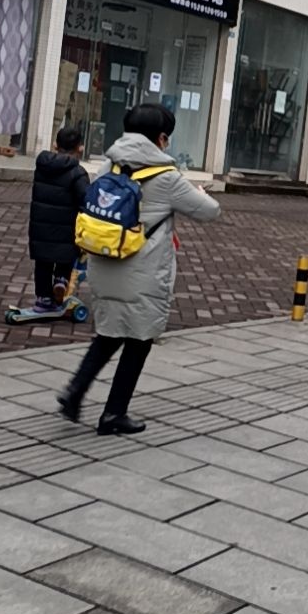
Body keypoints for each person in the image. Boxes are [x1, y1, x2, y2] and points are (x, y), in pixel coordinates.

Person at [58, 104, 219, 436]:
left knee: (107, 336)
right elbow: (209, 212)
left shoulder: (109, 164)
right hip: (143, 273)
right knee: (138, 341)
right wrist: (201, 193)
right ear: (161, 139)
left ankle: (74, 392)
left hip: (105, 265)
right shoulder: (167, 177)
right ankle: (114, 414)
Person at [28, 126, 88, 312]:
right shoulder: (78, 172)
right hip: (67, 227)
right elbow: (85, 199)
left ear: (55, 145)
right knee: (67, 256)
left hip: (41, 226)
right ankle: (61, 280)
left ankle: (43, 299)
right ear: (80, 148)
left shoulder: (42, 166)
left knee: (43, 263)